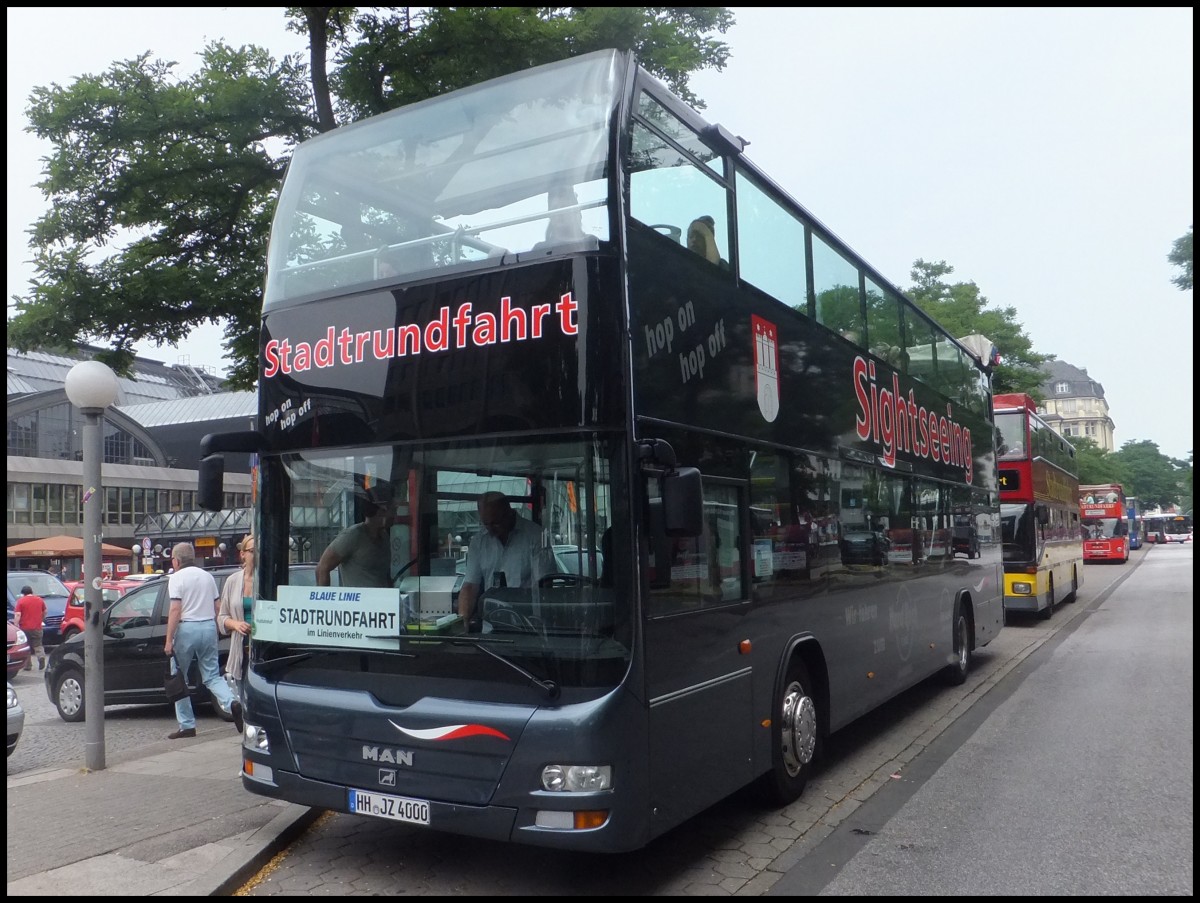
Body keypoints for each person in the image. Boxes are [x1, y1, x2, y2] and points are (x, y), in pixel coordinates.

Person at [164, 542, 242, 740]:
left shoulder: (176, 578)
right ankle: (232, 701)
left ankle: (187, 725)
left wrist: (168, 640)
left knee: (178, 677)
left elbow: (175, 609)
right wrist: (217, 629)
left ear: (176, 560)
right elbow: (217, 606)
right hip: (208, 626)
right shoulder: (207, 576)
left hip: (186, 628)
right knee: (212, 676)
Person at [456, 491, 553, 631]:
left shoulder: (535, 536)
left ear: (509, 513)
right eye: (486, 524)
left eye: (495, 523)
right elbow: (470, 586)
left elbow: (545, 584)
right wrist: (462, 621)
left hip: (528, 624)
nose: (490, 529)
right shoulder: (479, 541)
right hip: (491, 624)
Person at [317, 485, 394, 587]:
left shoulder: (384, 537)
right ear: (381, 512)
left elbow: (383, 576)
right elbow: (322, 568)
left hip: (380, 601)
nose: (395, 516)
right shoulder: (353, 536)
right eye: (393, 510)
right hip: (358, 602)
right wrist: (324, 601)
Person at [217, 534, 255, 698]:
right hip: (240, 647)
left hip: (261, 647)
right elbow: (222, 617)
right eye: (253, 551)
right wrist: (236, 624)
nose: (256, 555)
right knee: (242, 697)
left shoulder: (266, 580)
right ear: (243, 554)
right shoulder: (232, 581)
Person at [13, 584, 47, 671]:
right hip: (37, 627)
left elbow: (18, 614)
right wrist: (41, 619)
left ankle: (28, 665)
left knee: (26, 646)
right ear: (32, 592)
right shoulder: (39, 600)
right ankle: (41, 657)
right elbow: (45, 611)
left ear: (23, 593)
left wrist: (16, 625)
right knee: (38, 645)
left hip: (25, 628)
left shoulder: (21, 601)